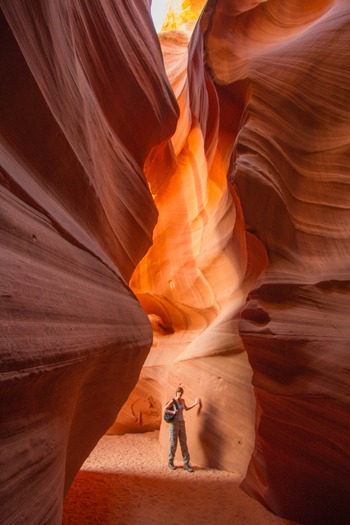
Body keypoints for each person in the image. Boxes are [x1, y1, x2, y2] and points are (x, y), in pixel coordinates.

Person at [163, 386, 200, 472]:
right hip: (174, 423)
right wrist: (173, 412)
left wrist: (195, 403)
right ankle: (170, 462)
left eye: (181, 392)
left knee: (184, 442)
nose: (180, 394)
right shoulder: (173, 401)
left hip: (182, 423)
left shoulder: (183, 401)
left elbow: (186, 409)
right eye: (179, 392)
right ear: (176, 393)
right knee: (173, 443)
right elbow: (165, 409)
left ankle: (186, 464)